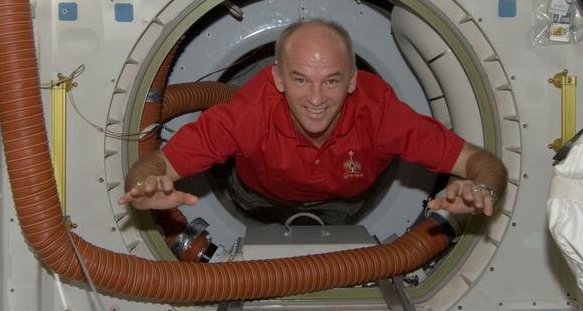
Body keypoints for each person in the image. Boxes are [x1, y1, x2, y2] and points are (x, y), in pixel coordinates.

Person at [117, 19, 508, 224]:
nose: (317, 99)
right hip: (257, 199)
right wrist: (143, 187)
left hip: (345, 203)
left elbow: (483, 162)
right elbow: (153, 166)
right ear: (277, 79)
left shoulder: (381, 115)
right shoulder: (247, 115)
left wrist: (482, 187)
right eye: (301, 79)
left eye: (332, 80)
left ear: (353, 80)